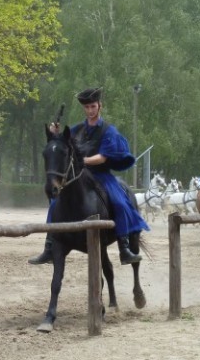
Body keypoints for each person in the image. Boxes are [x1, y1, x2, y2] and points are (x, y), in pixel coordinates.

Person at [28, 86, 150, 265]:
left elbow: (102, 158)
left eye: (93, 106)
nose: (90, 110)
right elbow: (61, 145)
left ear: (99, 106)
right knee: (55, 203)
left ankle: (124, 248)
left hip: (102, 176)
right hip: (79, 177)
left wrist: (82, 161)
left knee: (120, 202)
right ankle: (49, 248)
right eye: (87, 107)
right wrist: (55, 134)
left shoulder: (109, 131)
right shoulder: (77, 129)